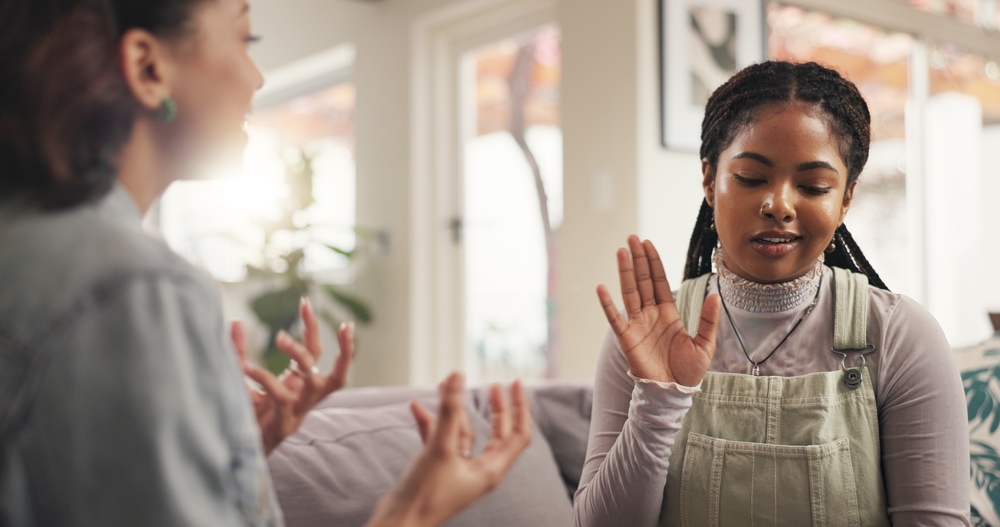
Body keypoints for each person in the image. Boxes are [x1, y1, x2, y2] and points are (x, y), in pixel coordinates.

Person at [0, 0, 531, 525]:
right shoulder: (136, 288)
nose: (256, 78)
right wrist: (410, 512)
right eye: (244, 39)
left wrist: (230, 455)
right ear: (148, 67)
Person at [574, 61, 970, 526]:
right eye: (751, 178)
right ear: (709, 179)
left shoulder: (900, 336)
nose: (778, 204)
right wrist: (658, 403)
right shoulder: (647, 338)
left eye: (813, 186)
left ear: (845, 198)